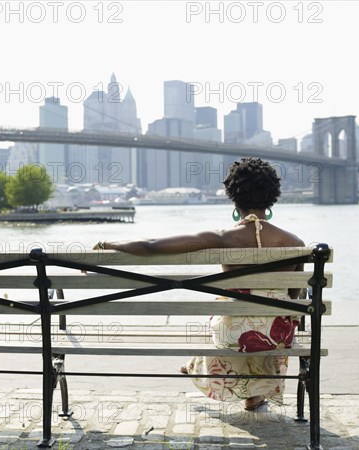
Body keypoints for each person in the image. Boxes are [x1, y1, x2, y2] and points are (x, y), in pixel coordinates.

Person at [93, 157, 304, 411]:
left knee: (231, 315)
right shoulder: (296, 243)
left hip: (232, 334)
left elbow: (150, 246)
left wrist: (108, 244)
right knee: (268, 320)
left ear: (232, 196)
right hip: (276, 336)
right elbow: (294, 297)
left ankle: (200, 367)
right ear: (273, 196)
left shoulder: (221, 237)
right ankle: (254, 394)